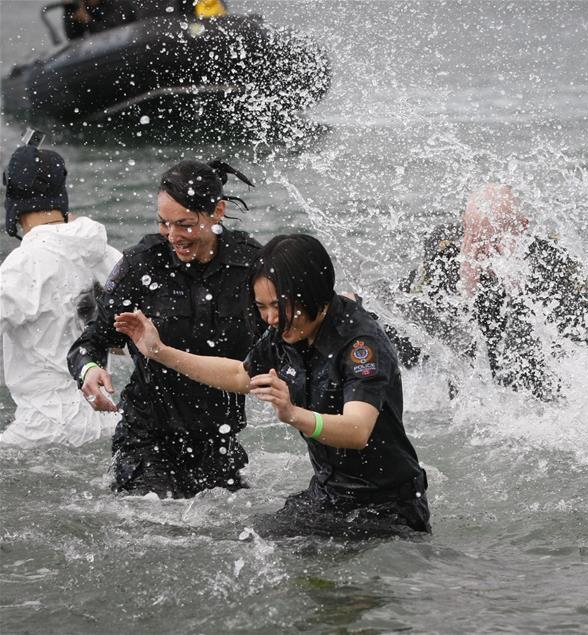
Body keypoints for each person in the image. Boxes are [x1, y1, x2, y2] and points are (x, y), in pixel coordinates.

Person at [113, 234, 431, 539]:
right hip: (330, 494)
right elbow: (241, 375)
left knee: (281, 555)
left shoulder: (361, 345)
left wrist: (293, 414)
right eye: (262, 307)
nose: (270, 318)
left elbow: (357, 429)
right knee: (249, 541)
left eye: (277, 306)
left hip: (387, 509)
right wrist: (160, 352)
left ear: (312, 292)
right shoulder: (290, 327)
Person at [67, 159, 260, 498]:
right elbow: (91, 342)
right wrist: (90, 370)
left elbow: (292, 338)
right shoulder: (142, 264)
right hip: (146, 439)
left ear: (217, 211)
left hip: (219, 440)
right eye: (164, 224)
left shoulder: (251, 266)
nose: (173, 237)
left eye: (185, 224)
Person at [393, 184, 588, 400]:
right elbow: (401, 325)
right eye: (476, 239)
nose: (486, 252)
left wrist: (518, 292)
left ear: (522, 227)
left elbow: (587, 345)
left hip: (531, 389)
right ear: (464, 228)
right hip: (461, 388)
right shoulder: (444, 261)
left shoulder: (552, 264)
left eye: (496, 239)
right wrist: (465, 291)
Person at [0, 144, 121, 447]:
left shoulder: (23, 264)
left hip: (43, 428)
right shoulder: (106, 255)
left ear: (12, 202)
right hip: (108, 418)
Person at [63, 0, 137, 40]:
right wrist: (69, 11)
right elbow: (73, 38)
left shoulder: (119, 4)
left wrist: (87, 20)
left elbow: (110, 33)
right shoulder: (87, 8)